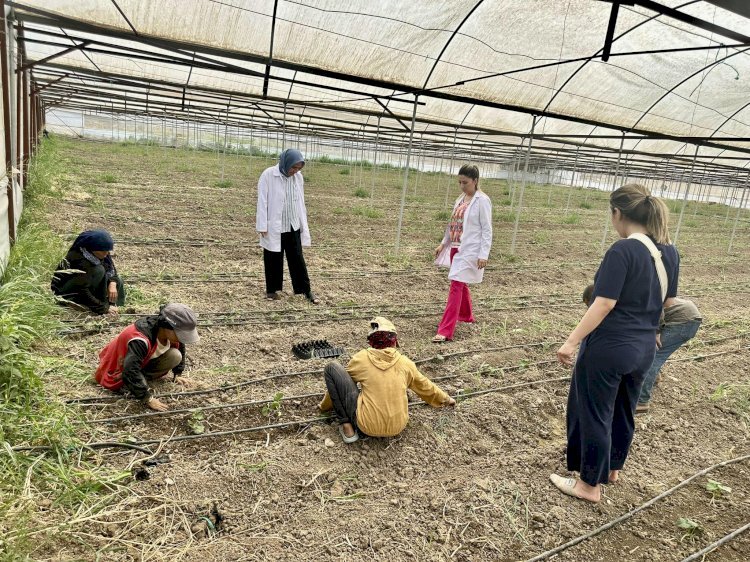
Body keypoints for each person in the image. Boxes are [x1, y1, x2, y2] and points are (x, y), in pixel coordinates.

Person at [551, 184, 678, 503]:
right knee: (624, 409)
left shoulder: (622, 250)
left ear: (618, 213)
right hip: (644, 348)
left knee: (594, 411)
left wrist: (570, 341)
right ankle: (611, 470)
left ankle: (588, 485)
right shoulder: (670, 252)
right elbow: (669, 301)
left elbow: (603, 303)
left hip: (610, 347)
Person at [319, 317, 456, 443]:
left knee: (332, 368)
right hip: (398, 426)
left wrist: (324, 407)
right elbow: (425, 386)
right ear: (394, 341)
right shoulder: (405, 363)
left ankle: (347, 428)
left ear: (371, 341)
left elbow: (340, 386)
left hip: (366, 426)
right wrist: (446, 399)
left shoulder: (361, 358)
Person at [94, 303, 201, 411]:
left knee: (175, 355)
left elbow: (181, 348)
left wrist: (177, 374)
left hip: (141, 363)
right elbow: (130, 370)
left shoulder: (171, 334)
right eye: (181, 334)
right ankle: (130, 383)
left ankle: (139, 380)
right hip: (119, 369)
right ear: (167, 327)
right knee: (130, 374)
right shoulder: (140, 339)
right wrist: (147, 398)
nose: (182, 338)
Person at [433, 164, 493, 343]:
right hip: (455, 248)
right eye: (459, 182)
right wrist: (443, 244)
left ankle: (445, 330)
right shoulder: (461, 198)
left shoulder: (482, 200)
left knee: (456, 285)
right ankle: (466, 315)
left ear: (475, 181)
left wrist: (484, 254)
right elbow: (453, 223)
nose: (462, 186)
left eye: (465, 182)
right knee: (460, 282)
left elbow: (487, 229)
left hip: (470, 249)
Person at [256, 149, 319, 304]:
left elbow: (300, 201)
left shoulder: (298, 178)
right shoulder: (268, 175)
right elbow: (262, 201)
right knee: (273, 258)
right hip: (274, 225)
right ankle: (273, 290)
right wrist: (262, 225)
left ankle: (304, 290)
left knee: (297, 259)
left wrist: (303, 222)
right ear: (285, 162)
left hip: (292, 224)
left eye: (298, 168)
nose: (294, 171)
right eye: (293, 167)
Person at [636, 297, 701, 414]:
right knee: (650, 352)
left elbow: (657, 308)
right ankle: (654, 378)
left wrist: (657, 332)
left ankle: (642, 402)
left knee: (653, 356)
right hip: (688, 316)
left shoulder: (628, 298)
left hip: (683, 320)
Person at [51, 229, 125, 315]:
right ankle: (75, 302)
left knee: (116, 280)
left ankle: (115, 306)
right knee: (99, 270)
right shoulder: (80, 260)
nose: (106, 254)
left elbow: (111, 269)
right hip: (70, 291)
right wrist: (103, 307)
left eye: (108, 251)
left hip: (86, 286)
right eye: (103, 251)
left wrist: (112, 283)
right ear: (92, 248)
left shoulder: (101, 252)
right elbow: (81, 290)